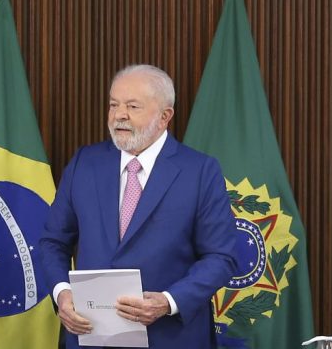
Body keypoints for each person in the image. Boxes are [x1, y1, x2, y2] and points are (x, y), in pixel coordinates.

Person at [39, 64, 238, 349]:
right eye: (113, 105)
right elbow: (52, 242)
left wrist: (168, 302)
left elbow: (221, 256)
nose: (120, 114)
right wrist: (62, 293)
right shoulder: (85, 163)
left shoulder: (200, 171)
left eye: (133, 106)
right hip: (91, 336)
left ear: (164, 117)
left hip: (170, 337)